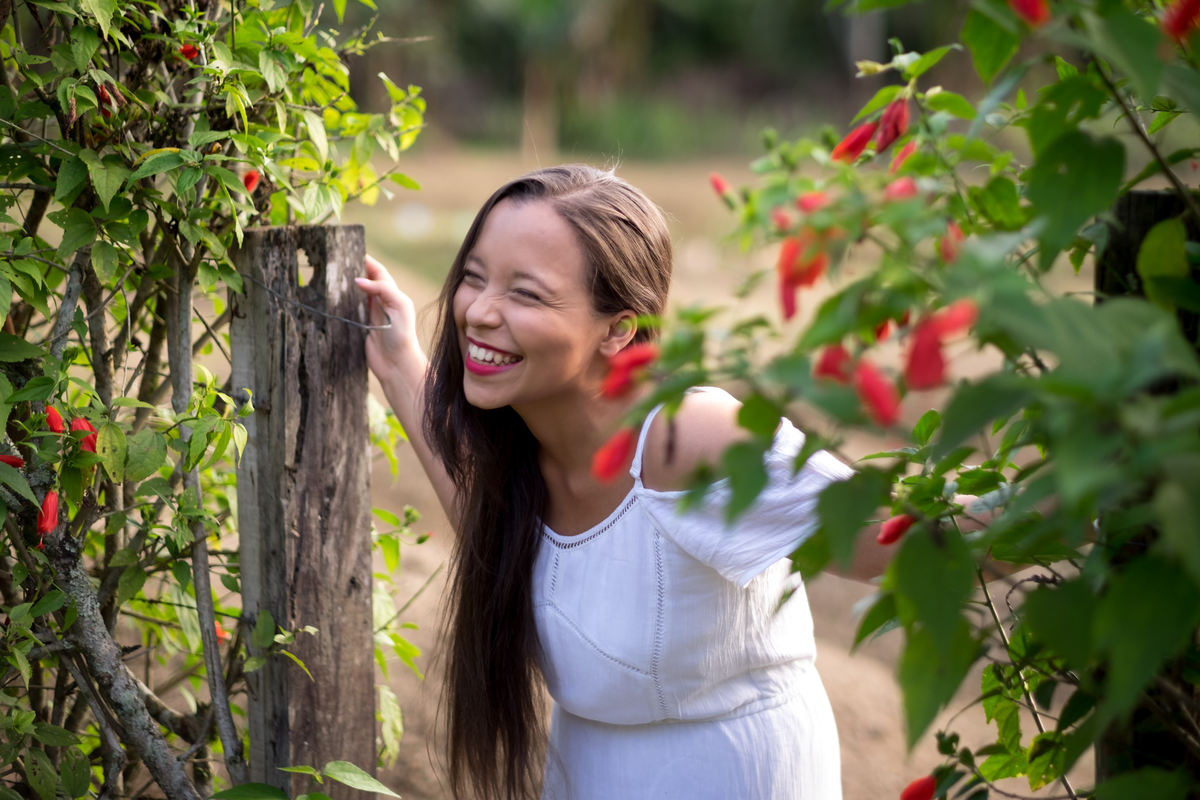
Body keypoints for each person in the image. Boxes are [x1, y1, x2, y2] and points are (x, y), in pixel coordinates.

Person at [356, 165, 875, 800]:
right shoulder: (522, 455)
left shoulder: (691, 438)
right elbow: (490, 524)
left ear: (619, 329)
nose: (480, 312)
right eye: (474, 277)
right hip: (587, 772)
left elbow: (892, 535)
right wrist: (400, 360)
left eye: (526, 293)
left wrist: (1025, 514)